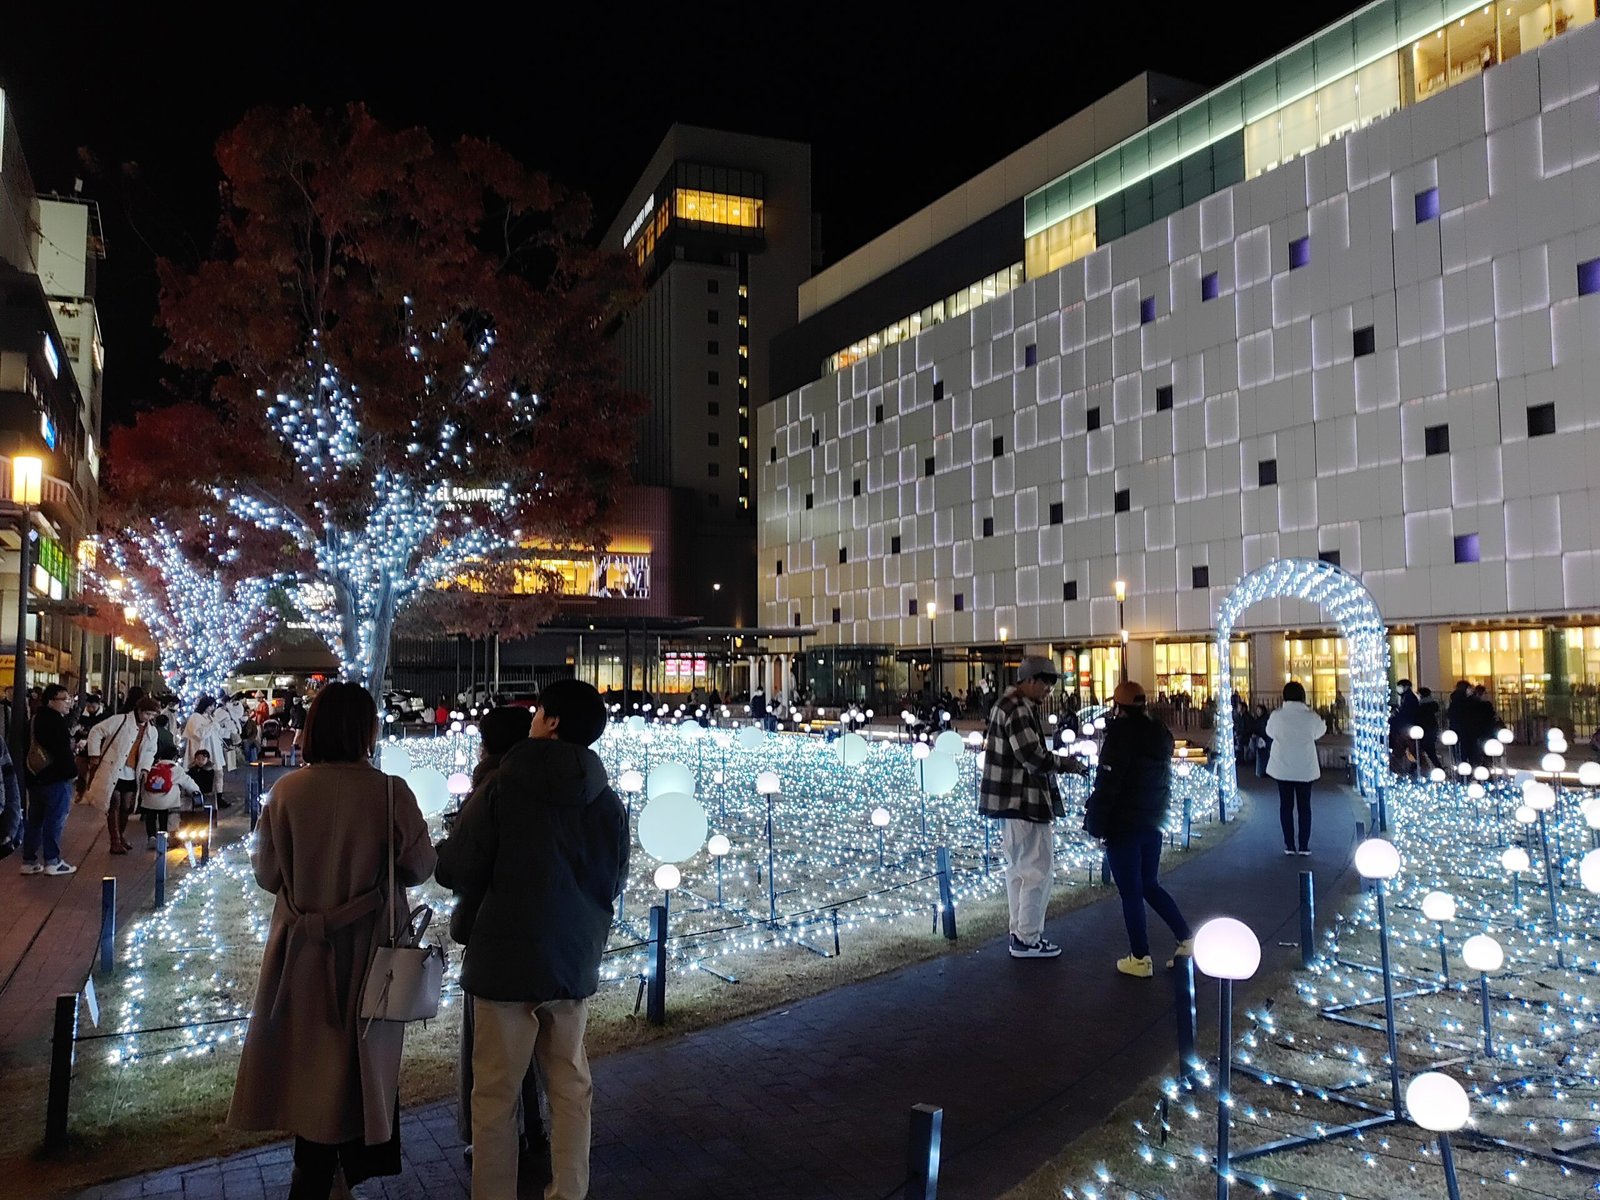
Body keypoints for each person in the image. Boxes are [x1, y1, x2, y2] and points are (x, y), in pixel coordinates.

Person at [228, 682, 436, 1199]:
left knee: (310, 1058)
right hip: (373, 950)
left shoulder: (287, 792)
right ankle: (350, 1166)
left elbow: (268, 874)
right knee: (365, 1057)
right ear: (367, 730)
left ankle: (315, 1166)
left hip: (302, 948)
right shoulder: (391, 792)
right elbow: (419, 866)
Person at [436, 679, 628, 1200]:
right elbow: (613, 881)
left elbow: (455, 867)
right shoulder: (607, 801)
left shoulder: (502, 787)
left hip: (503, 960)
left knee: (495, 1092)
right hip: (571, 958)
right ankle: (570, 1190)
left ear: (552, 721)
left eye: (539, 710)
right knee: (570, 1083)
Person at [441, 706, 547, 1173]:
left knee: (489, 1056)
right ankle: (537, 1129)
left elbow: (457, 867)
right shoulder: (549, 783)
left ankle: (495, 1149)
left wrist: (450, 842)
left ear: (484, 743)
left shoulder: (489, 788)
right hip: (548, 935)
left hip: (493, 933)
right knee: (539, 1044)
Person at [978, 655, 1088, 959]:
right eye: (1045, 684)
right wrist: (1066, 764)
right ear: (1028, 681)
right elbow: (1032, 756)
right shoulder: (1018, 709)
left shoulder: (1008, 705)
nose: (1048, 691)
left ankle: (1020, 934)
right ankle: (1028, 938)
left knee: (1018, 871)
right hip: (1024, 799)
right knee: (1037, 870)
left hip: (1010, 802)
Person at [1084, 680, 1193, 978]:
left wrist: (1094, 822)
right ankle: (1185, 938)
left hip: (1124, 824)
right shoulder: (1158, 735)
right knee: (1149, 884)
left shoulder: (1119, 737)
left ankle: (1140, 957)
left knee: (1131, 892)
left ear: (1118, 707)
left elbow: (1108, 785)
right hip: (1152, 820)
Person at [19, 684, 84, 876]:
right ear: (50, 701)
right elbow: (62, 753)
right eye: (63, 699)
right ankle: (52, 861)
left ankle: (29, 861)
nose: (68, 703)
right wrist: (72, 772)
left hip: (35, 778)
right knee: (54, 820)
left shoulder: (33, 720)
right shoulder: (56, 722)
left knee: (35, 820)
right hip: (56, 779)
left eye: (69, 699)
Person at [86, 696, 161, 855]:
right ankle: (115, 841)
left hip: (133, 772)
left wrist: (145, 769)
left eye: (152, 715)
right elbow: (96, 731)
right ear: (139, 710)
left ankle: (120, 836)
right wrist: (94, 754)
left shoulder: (151, 731)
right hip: (114, 768)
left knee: (126, 806)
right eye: (147, 714)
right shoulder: (120, 720)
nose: (149, 718)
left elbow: (150, 751)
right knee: (114, 803)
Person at [1264, 681, 1327, 857]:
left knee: (1286, 806)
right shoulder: (1311, 716)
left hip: (1282, 767)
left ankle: (1289, 844)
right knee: (1304, 807)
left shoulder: (1277, 716)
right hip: (1305, 767)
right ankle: (1304, 845)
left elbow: (1270, 732)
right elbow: (1320, 731)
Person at [140, 747, 203, 848]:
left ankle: (151, 837)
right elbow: (188, 782)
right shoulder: (176, 769)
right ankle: (163, 839)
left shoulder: (152, 767)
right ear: (175, 757)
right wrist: (197, 792)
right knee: (163, 818)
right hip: (166, 802)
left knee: (151, 818)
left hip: (149, 801)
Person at [184, 696, 232, 808]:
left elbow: (217, 732)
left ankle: (218, 797)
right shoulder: (195, 717)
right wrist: (212, 726)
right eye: (211, 706)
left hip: (214, 748)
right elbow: (198, 734)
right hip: (203, 749)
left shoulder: (210, 717)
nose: (213, 708)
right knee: (203, 775)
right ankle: (200, 797)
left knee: (218, 773)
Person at [1415, 686, 1443, 772]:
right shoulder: (1432, 705)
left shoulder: (1422, 706)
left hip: (1425, 731)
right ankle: (1439, 768)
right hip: (1431, 730)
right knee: (1428, 751)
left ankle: (1438, 768)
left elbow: (1419, 719)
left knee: (1424, 751)